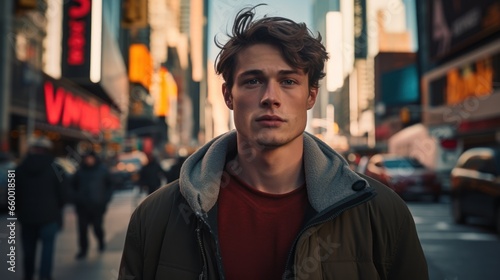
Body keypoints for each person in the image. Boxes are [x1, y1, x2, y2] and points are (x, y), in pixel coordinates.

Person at [119, 4, 429, 279]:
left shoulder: (381, 214)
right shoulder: (156, 218)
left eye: (288, 81)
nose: (271, 98)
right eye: (253, 81)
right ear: (229, 95)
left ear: (311, 96)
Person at [16, 136, 66, 280]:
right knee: (47, 250)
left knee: (28, 251)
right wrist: (58, 208)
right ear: (47, 150)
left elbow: (12, 194)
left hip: (27, 217)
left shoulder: (19, 168)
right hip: (49, 216)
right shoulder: (56, 168)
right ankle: (45, 276)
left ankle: (28, 275)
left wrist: (19, 210)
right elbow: (63, 192)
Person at [72, 150, 113, 260]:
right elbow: (72, 186)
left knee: (97, 227)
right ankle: (83, 249)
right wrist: (77, 198)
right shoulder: (80, 172)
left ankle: (101, 242)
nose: (88, 160)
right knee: (82, 230)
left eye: (90, 158)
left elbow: (110, 185)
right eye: (86, 158)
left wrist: (105, 200)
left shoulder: (102, 170)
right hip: (83, 207)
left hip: (97, 206)